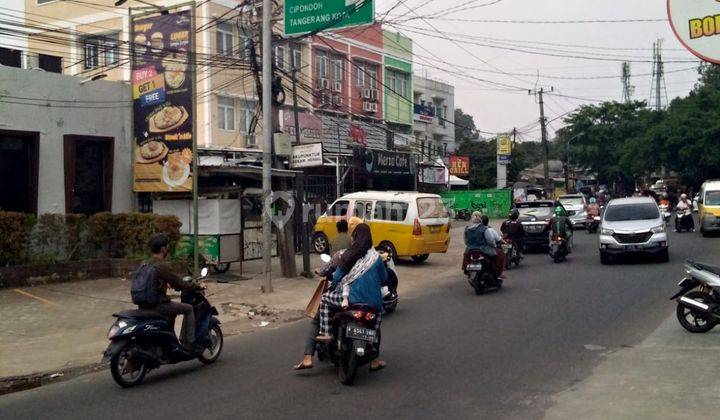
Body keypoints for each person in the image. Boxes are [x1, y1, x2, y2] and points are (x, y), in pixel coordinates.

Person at [315, 224, 388, 370]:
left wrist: (336, 283)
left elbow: (336, 278)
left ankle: (326, 332)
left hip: (351, 300)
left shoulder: (348, 255)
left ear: (354, 237)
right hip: (373, 304)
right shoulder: (376, 257)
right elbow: (384, 278)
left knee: (324, 299)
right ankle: (375, 362)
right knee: (375, 328)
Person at [146, 234, 205, 354]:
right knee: (188, 309)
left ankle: (169, 343)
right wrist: (198, 286)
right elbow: (180, 283)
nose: (168, 248)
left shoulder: (146, 263)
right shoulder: (162, 265)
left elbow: (151, 281)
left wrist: (164, 283)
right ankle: (189, 344)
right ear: (163, 249)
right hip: (158, 305)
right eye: (167, 246)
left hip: (144, 304)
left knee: (172, 313)